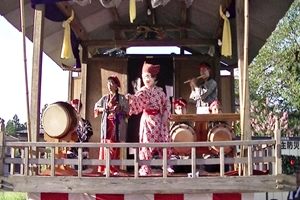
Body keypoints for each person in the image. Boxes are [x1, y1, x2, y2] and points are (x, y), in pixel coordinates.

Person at [125, 61, 174, 176]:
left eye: (148, 76)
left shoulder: (160, 91)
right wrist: (131, 98)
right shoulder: (143, 91)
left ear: (154, 77)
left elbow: (167, 103)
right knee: (147, 143)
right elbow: (138, 100)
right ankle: (146, 167)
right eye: (144, 77)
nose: (146, 79)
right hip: (147, 120)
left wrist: (166, 114)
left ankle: (166, 165)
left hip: (159, 119)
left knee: (165, 140)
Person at [94, 75, 129, 176]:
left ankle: (114, 169)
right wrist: (102, 109)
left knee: (115, 145)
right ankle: (105, 168)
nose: (110, 85)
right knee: (106, 145)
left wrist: (120, 110)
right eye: (108, 83)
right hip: (107, 124)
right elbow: (96, 107)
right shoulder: (105, 98)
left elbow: (127, 113)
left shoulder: (122, 98)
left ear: (116, 86)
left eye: (112, 83)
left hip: (117, 124)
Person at [67, 99, 93, 170]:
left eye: (76, 108)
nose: (75, 110)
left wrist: (81, 123)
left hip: (83, 153)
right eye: (73, 108)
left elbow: (88, 135)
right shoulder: (68, 124)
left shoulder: (86, 123)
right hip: (72, 152)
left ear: (80, 109)